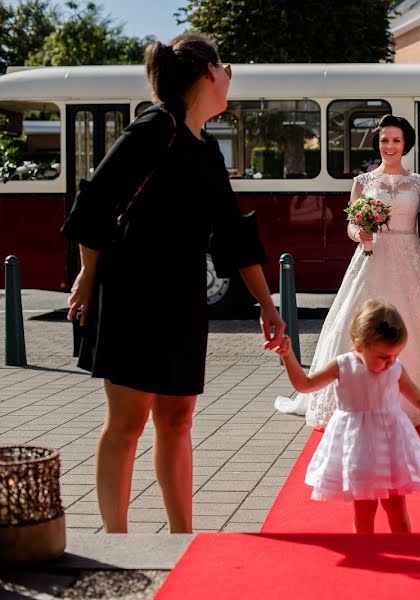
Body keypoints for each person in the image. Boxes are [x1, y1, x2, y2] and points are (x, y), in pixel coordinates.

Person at [62, 34, 284, 533]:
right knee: (127, 422)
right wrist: (88, 276)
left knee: (178, 418)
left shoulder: (206, 149)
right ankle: (117, 541)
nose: (230, 75)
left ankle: (182, 536)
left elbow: (234, 233)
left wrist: (268, 308)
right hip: (132, 294)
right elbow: (94, 203)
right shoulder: (154, 127)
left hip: (182, 299)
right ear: (207, 72)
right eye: (226, 67)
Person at [275, 115, 420, 428]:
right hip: (372, 255)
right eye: (384, 140)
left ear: (405, 144)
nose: (389, 146)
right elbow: (352, 223)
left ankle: (417, 396)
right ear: (378, 144)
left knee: (419, 322)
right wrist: (360, 235)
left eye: (395, 140)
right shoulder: (363, 182)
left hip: (410, 257)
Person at [270, 300, 420, 533]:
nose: (390, 363)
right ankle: (370, 554)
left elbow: (419, 399)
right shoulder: (342, 366)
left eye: (395, 356)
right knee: (364, 511)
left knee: (396, 507)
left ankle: (403, 552)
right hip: (357, 447)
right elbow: (304, 384)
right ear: (359, 345)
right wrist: (288, 356)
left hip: (390, 445)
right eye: (383, 356)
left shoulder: (395, 368)